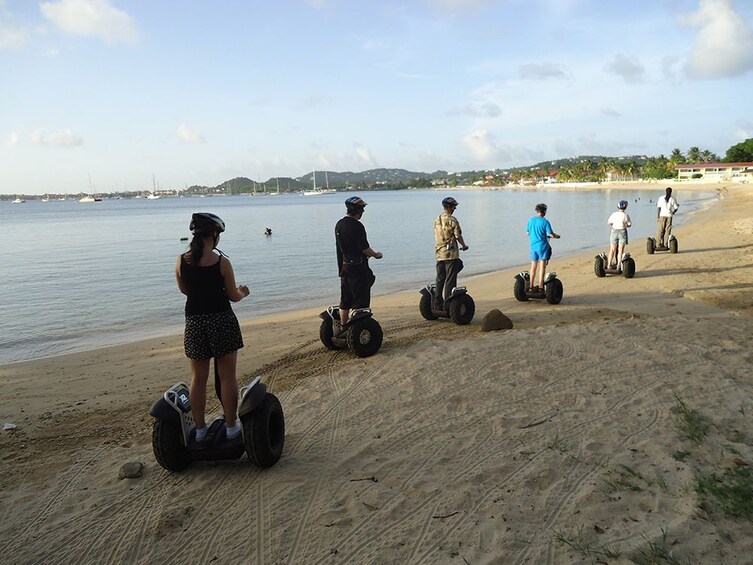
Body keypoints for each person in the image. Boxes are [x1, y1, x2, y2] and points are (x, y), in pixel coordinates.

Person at [175, 212, 250, 443]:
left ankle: (199, 430)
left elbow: (185, 290)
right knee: (227, 376)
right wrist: (243, 292)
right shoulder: (221, 262)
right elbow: (233, 296)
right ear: (215, 235)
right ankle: (230, 426)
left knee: (198, 378)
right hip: (221, 320)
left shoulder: (181, 260)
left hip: (195, 322)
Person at [335, 196, 383, 328]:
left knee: (345, 300)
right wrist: (376, 255)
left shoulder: (339, 224)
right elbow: (364, 248)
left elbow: (339, 250)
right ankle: (359, 328)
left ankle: (343, 326)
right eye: (362, 210)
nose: (362, 213)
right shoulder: (357, 226)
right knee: (360, 299)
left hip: (345, 268)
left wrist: (340, 270)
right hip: (358, 268)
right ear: (358, 211)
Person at [433, 197, 469, 310]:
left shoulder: (437, 219)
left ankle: (437, 303)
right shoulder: (452, 220)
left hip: (439, 254)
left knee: (440, 278)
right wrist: (464, 246)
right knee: (450, 278)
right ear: (449, 207)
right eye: (454, 207)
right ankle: (448, 304)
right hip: (451, 255)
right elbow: (458, 236)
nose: (455, 209)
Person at [526, 203, 560, 294]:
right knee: (542, 267)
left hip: (533, 247)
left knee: (533, 267)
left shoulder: (531, 220)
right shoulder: (545, 222)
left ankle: (530, 286)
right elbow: (551, 234)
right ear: (544, 212)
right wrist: (557, 236)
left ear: (537, 211)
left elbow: (527, 233)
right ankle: (541, 287)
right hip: (543, 247)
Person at [607, 200, 632, 271]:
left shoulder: (614, 214)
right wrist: (625, 225)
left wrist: (614, 224)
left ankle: (609, 264)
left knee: (612, 249)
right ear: (625, 207)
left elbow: (609, 222)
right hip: (622, 232)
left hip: (614, 231)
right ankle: (618, 265)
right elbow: (629, 224)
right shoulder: (625, 215)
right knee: (620, 250)